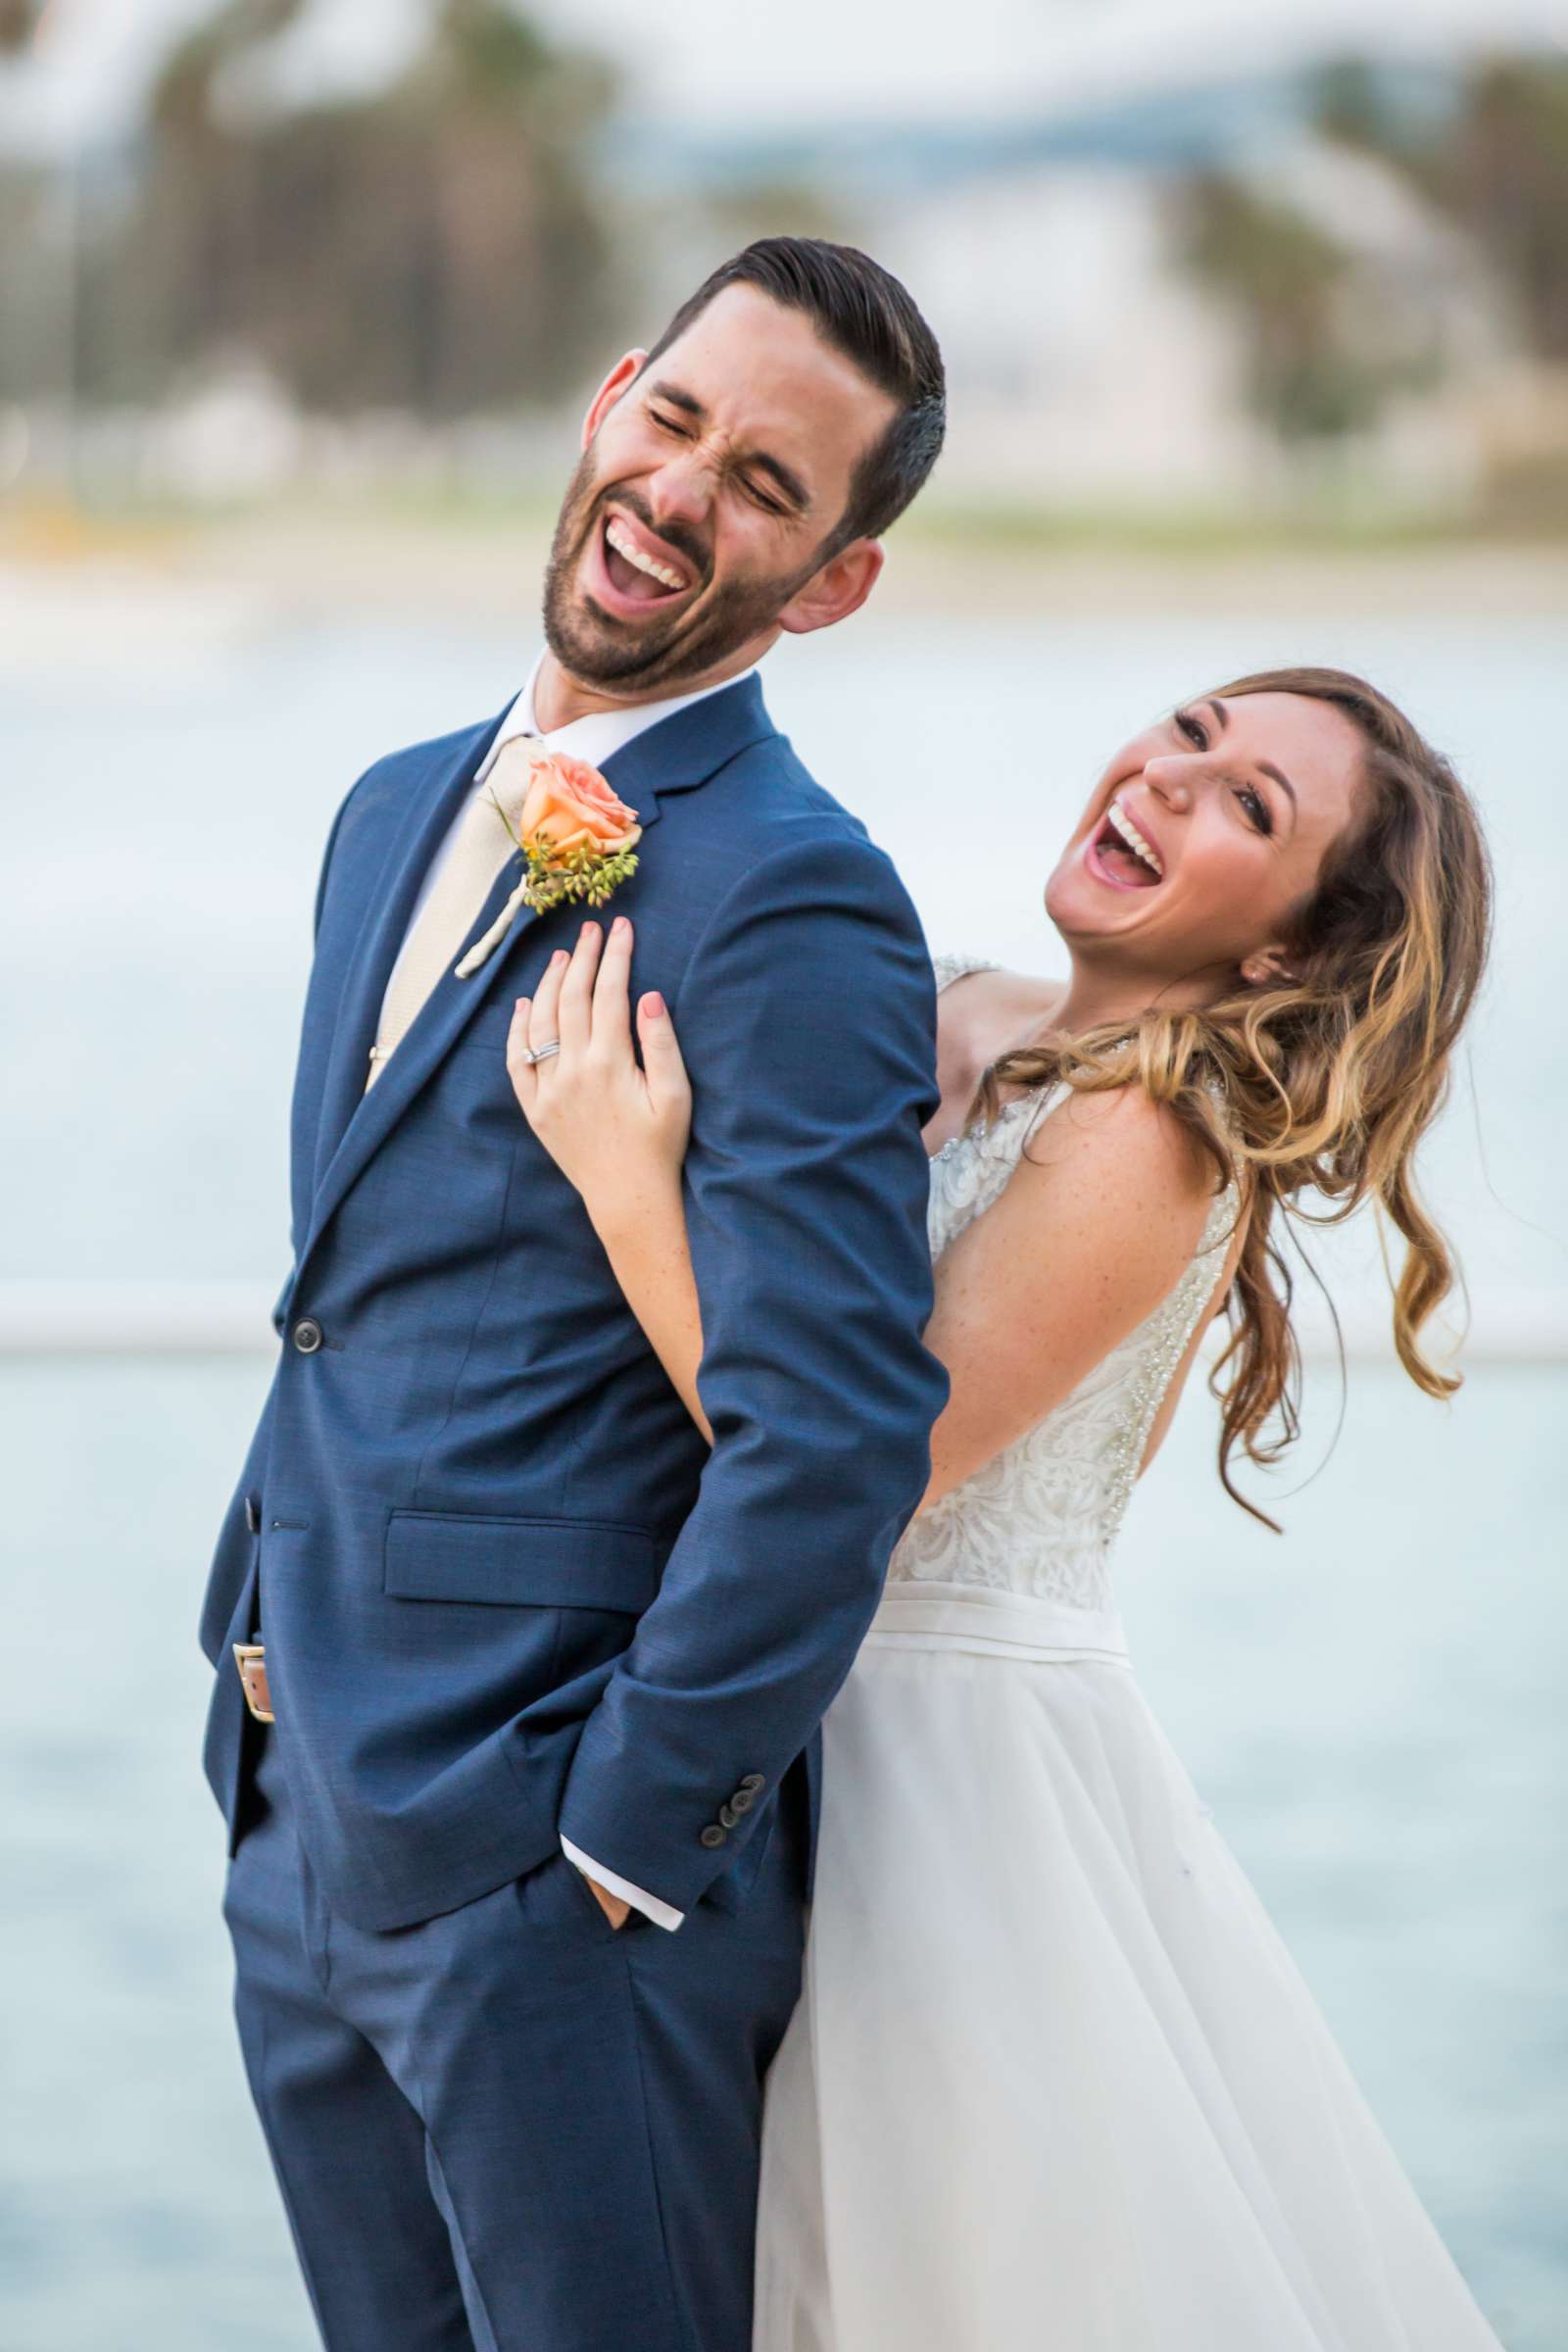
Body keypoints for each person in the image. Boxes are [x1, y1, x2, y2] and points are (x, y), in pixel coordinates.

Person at [507, 665, 1504, 2349]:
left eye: (1253, 808)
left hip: (945, 1781)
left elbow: (856, 1486)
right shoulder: (945, 1004)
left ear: (1286, 951)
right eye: (1192, 736)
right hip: (770, 1703)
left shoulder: (1154, 1131)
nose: (1174, 783)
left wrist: (626, 1186)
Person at [197, 236, 952, 2352]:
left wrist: (624, 1845)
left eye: (769, 486)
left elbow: (832, 1432)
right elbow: (353, 1293)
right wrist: (256, 1676)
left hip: (556, 1893)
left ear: (827, 585)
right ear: (611, 394)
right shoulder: (384, 808)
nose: (683, 489)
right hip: (303, 1822)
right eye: (679, 419)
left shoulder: (793, 889)